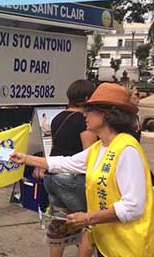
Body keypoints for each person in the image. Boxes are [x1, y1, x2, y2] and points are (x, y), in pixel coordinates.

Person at [11, 83, 154, 257]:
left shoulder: (127, 150)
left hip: (134, 246)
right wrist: (27, 159)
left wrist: (88, 218)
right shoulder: (99, 147)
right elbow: (67, 163)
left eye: (89, 110)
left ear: (106, 115)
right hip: (111, 243)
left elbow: (133, 207)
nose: (84, 114)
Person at [43, 80, 97, 257]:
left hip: (52, 176)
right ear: (87, 97)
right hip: (72, 179)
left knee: (60, 224)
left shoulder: (58, 117)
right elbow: (89, 154)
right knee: (88, 225)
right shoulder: (85, 120)